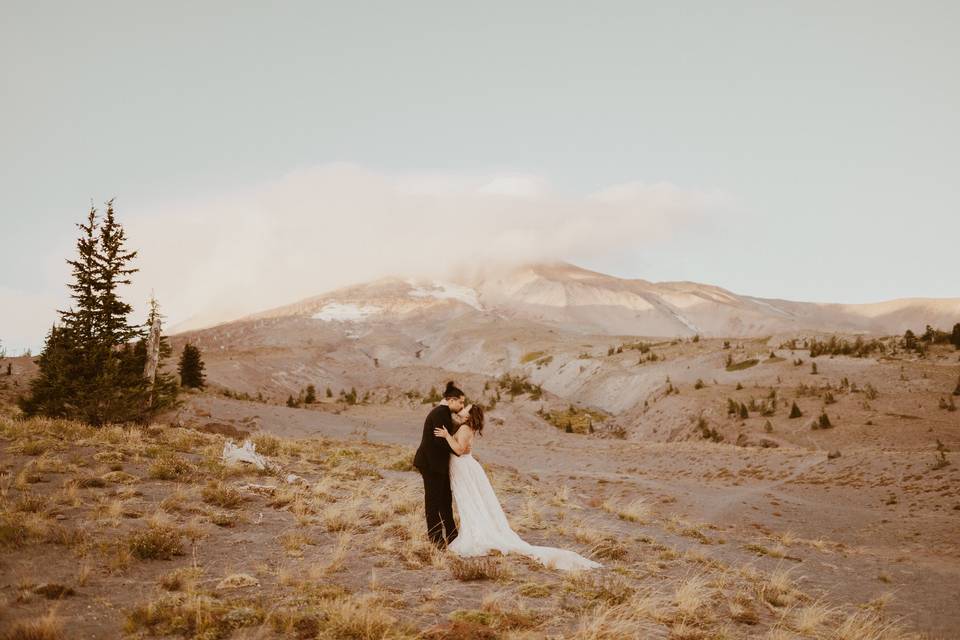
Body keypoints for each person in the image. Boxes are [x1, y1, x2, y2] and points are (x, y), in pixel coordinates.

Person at [434, 403, 601, 571]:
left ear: (469, 415)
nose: (462, 409)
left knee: (469, 502)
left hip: (463, 468)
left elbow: (459, 450)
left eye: (466, 408)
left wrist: (447, 436)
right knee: (470, 502)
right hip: (465, 468)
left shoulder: (464, 429)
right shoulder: (466, 427)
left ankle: (477, 535)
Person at [413, 381, 465, 548]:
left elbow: (446, 435)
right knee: (434, 503)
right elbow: (440, 441)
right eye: (460, 402)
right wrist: (457, 450)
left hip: (438, 465)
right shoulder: (439, 413)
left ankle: (452, 536)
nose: (462, 406)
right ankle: (436, 541)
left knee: (445, 501)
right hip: (431, 464)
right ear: (451, 400)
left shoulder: (443, 413)